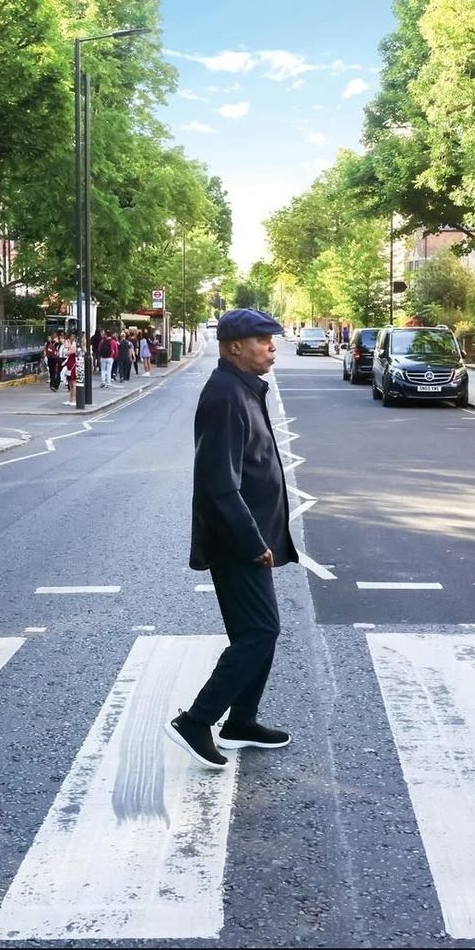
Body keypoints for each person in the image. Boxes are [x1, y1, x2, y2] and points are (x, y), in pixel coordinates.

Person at [165, 308, 298, 770]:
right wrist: (252, 543)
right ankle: (196, 720)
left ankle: (241, 721)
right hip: (237, 540)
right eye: (263, 339)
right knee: (260, 631)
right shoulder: (225, 395)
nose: (272, 346)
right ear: (235, 346)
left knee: (256, 631)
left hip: (249, 536)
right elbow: (219, 484)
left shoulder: (243, 388)